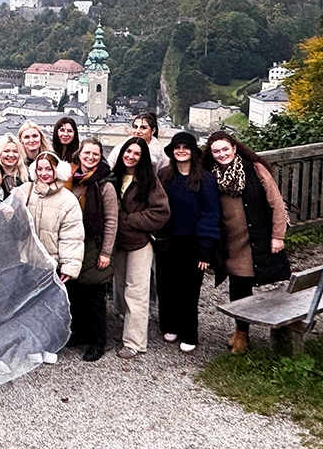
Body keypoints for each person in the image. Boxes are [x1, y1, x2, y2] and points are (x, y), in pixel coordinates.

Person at [204, 131, 289, 354]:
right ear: (211, 154)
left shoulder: (255, 169)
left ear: (234, 148)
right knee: (237, 287)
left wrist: (278, 236)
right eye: (216, 151)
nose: (222, 154)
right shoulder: (210, 175)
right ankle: (242, 332)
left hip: (254, 239)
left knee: (243, 286)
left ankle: (243, 335)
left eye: (225, 149)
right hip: (230, 241)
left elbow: (277, 204)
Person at [14, 151, 85, 363]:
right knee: (30, 306)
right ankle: (33, 344)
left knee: (52, 306)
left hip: (52, 261)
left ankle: (51, 345)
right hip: (28, 260)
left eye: (49, 168)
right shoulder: (26, 191)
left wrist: (70, 267)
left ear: (57, 170)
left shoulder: (68, 200)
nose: (44, 173)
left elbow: (72, 236)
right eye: (40, 168)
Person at [157, 132, 220, 353]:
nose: (181, 150)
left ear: (193, 152)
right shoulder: (164, 176)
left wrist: (205, 247)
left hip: (193, 242)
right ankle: (169, 324)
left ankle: (189, 332)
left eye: (185, 147)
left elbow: (211, 213)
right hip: (167, 240)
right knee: (166, 285)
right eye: (177, 147)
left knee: (189, 289)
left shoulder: (206, 179)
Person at [111, 138, 171, 359]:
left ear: (143, 157)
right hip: (117, 243)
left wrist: (131, 221)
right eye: (128, 151)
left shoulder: (149, 181)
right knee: (120, 289)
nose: (131, 156)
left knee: (136, 292)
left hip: (138, 243)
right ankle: (128, 330)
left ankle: (135, 342)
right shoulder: (113, 177)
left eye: (137, 153)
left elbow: (161, 212)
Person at [67, 138, 118, 361]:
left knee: (95, 298)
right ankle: (81, 333)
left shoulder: (105, 184)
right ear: (79, 154)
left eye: (95, 155)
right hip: (74, 244)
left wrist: (106, 252)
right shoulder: (70, 180)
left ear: (100, 157)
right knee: (76, 294)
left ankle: (98, 342)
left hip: (94, 245)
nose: (90, 158)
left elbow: (111, 221)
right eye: (87, 153)